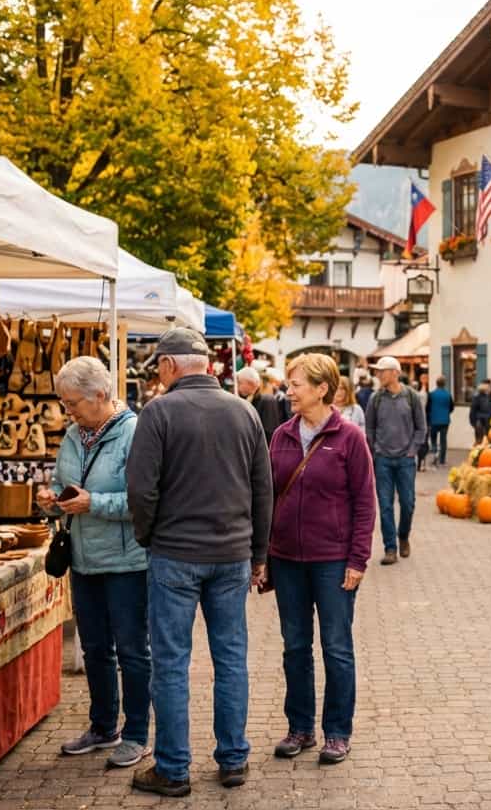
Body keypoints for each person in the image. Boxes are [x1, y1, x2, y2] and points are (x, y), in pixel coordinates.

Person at [125, 327, 273, 797]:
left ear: (169, 365)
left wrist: (150, 536)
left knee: (171, 663)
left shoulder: (159, 412)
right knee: (231, 659)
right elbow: (262, 490)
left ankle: (173, 768)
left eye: (159, 367)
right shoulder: (244, 411)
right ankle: (233, 759)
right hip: (230, 554)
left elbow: (141, 490)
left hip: (175, 554)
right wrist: (258, 554)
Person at [39, 356, 151, 769]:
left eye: (73, 403)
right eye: (65, 403)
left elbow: (145, 500)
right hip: (84, 560)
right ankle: (104, 726)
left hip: (126, 562)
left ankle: (138, 733)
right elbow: (61, 483)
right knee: (95, 648)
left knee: (133, 651)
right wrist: (52, 501)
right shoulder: (72, 435)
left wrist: (94, 503)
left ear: (100, 395)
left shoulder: (135, 433)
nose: (68, 411)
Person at [268, 354, 375, 766]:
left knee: (336, 648)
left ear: (321, 389)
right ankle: (300, 728)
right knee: (294, 647)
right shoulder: (280, 435)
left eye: (296, 384)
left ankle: (337, 733)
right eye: (289, 384)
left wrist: (358, 560)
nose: (289, 391)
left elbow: (365, 503)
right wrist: (265, 555)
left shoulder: (349, 438)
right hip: (288, 560)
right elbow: (269, 497)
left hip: (333, 561)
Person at [364, 355, 426, 565]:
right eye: (378, 371)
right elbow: (369, 427)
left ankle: (403, 536)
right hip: (383, 460)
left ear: (395, 373)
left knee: (408, 503)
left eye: (383, 371)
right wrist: (375, 450)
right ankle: (390, 548)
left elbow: (421, 428)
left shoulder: (411, 397)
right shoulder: (376, 398)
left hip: (406, 460)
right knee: (385, 505)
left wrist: (412, 450)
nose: (379, 374)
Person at [237, 366, 284, 445]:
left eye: (240, 382)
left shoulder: (267, 400)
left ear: (249, 383)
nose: (238, 386)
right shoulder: (252, 398)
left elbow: (269, 431)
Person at [427, 375, 454, 466]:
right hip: (445, 420)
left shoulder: (431, 394)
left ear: (436, 383)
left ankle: (435, 453)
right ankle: (442, 460)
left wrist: (429, 417)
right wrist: (446, 413)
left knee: (433, 439)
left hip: (434, 420)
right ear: (444, 384)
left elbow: (428, 408)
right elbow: (451, 407)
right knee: (443, 440)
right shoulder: (448, 395)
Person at [469, 379, 491, 446]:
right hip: (481, 424)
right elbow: (473, 411)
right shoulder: (478, 398)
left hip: (489, 425)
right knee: (480, 442)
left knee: (487, 443)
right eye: (490, 386)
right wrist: (474, 423)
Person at [415, 372, 430, 472]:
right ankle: (420, 463)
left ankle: (421, 462)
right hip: (420, 421)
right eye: (422, 378)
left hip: (424, 421)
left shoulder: (428, 392)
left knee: (424, 443)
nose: (424, 380)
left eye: (425, 378)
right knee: (422, 443)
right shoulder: (419, 392)